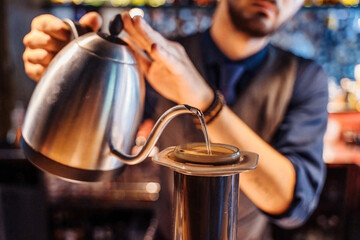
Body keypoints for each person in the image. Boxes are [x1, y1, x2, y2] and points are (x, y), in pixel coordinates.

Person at [22, 0, 328, 239]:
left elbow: (293, 203)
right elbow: (102, 145)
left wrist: (203, 100)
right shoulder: (158, 55)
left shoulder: (305, 78)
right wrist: (78, 73)